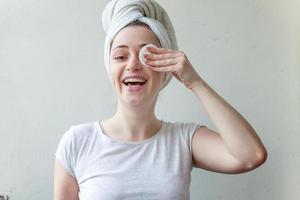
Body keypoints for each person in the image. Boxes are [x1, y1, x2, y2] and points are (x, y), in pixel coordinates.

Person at [53, 0, 268, 199]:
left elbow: (251, 155)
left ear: (165, 69)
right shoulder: (77, 142)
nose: (133, 65)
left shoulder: (183, 140)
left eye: (146, 55)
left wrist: (195, 82)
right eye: (120, 56)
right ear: (110, 68)